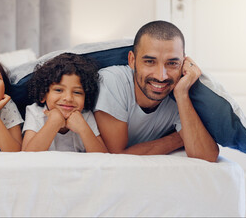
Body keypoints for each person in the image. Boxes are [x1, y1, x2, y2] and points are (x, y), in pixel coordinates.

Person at [94, 20, 219, 162]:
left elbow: (207, 156)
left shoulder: (181, 90)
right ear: (132, 60)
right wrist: (179, 138)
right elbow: (117, 156)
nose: (161, 76)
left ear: (183, 64)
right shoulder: (112, 81)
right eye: (149, 62)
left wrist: (182, 95)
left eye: (172, 63)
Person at [22, 53, 108, 152]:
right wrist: (53, 123)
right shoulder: (35, 112)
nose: (68, 98)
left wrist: (83, 129)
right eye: (59, 90)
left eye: (77, 92)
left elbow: (103, 157)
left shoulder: (85, 116)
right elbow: (27, 155)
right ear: (43, 95)